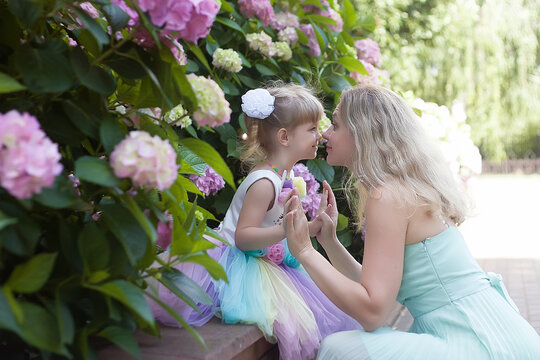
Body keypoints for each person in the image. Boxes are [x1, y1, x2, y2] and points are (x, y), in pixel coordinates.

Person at [284, 84, 540, 359]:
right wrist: (329, 242)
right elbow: (375, 289)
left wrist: (305, 252)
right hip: (496, 334)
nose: (325, 133)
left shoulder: (388, 196)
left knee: (339, 349)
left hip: (478, 342)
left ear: (362, 132)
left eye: (335, 124)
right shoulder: (400, 189)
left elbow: (373, 312)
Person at [150, 83, 360, 360]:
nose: (319, 135)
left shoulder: (281, 176)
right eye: (311, 129)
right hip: (233, 261)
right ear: (285, 137)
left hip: (259, 261)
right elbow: (243, 237)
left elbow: (280, 231)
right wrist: (285, 228)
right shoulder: (264, 182)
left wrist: (312, 226)